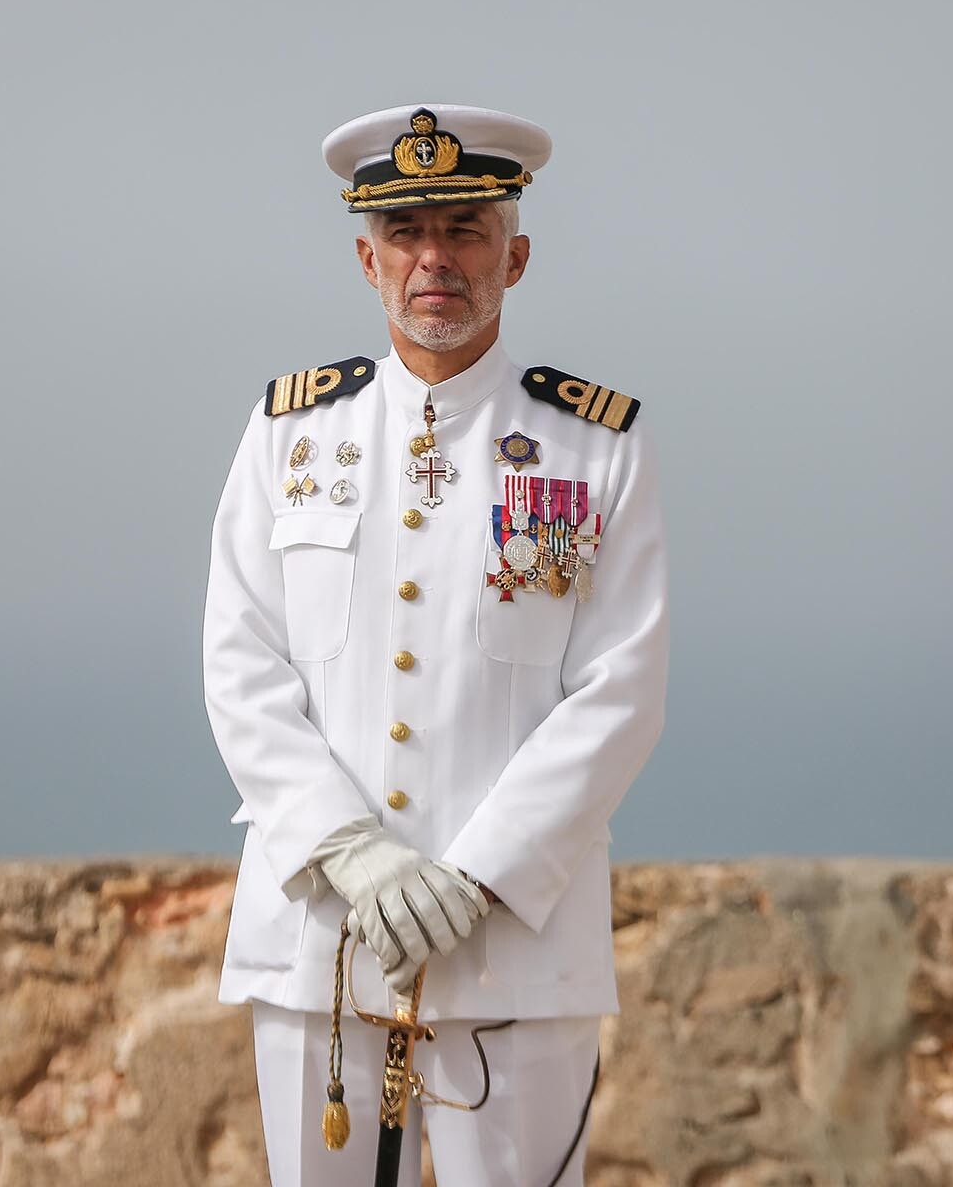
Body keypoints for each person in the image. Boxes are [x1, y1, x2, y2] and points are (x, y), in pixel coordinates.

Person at [202, 102, 671, 1185]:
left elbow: (621, 690)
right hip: (323, 938)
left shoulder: (595, 447)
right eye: (407, 234)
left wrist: (476, 876)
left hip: (513, 948)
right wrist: (353, 853)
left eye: (464, 231)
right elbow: (241, 663)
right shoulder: (289, 436)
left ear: (516, 254)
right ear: (368, 260)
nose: (435, 259)